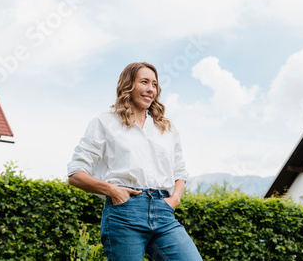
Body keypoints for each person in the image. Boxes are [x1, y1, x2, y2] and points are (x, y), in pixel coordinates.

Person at [67, 62, 203, 261]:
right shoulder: (105, 123)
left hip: (163, 211)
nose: (151, 89)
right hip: (124, 213)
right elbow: (76, 174)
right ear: (128, 85)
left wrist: (174, 200)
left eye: (154, 84)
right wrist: (113, 190)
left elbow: (180, 172)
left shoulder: (166, 128)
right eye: (144, 82)